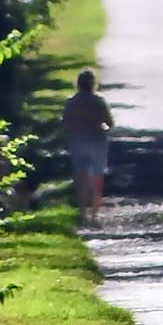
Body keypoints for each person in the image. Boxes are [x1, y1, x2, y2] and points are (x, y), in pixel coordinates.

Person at [57, 69, 115, 221]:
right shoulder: (99, 101)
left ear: (78, 84)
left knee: (81, 178)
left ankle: (82, 212)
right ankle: (95, 214)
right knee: (97, 178)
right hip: (97, 141)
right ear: (93, 83)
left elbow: (64, 123)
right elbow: (110, 123)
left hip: (78, 142)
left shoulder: (71, 102)